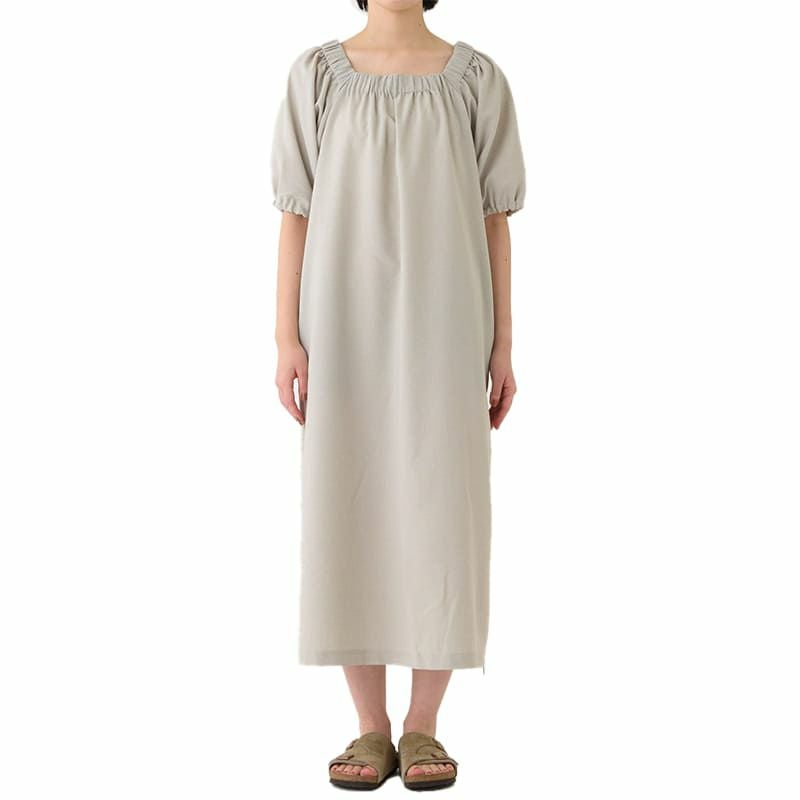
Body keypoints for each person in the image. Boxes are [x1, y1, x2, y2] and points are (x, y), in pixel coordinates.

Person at [271, 0, 525, 789]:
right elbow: (296, 213)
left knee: (443, 507)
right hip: (341, 323)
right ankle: (369, 726)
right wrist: (285, 338)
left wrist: (503, 343)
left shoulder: (476, 80)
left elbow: (494, 218)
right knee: (348, 501)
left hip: (448, 323)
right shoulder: (316, 76)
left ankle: (423, 724)